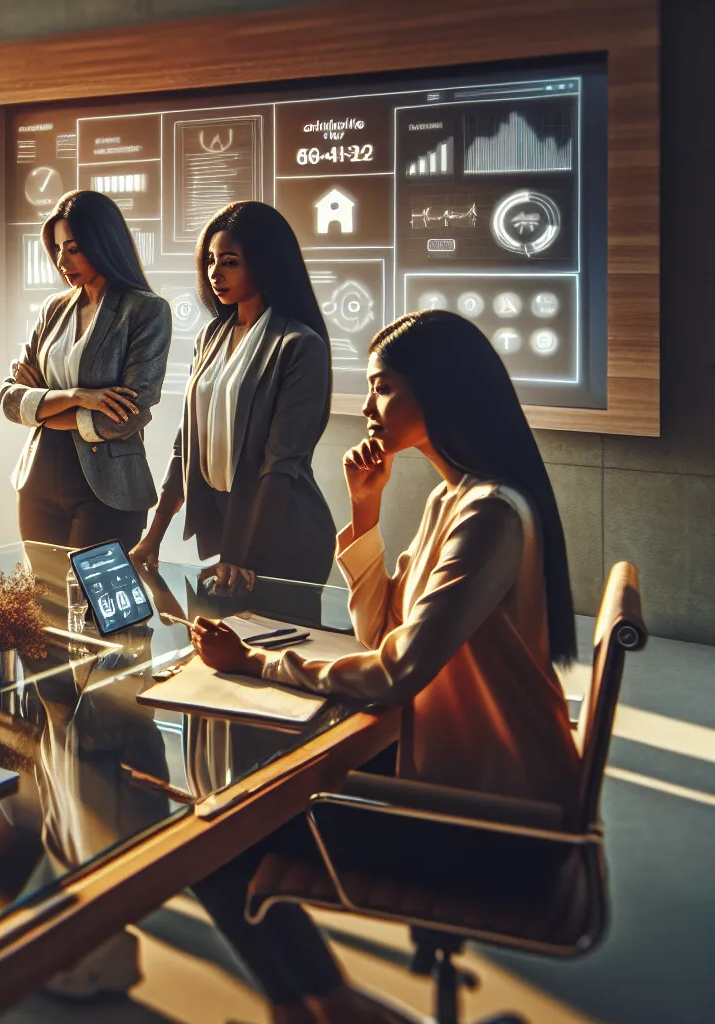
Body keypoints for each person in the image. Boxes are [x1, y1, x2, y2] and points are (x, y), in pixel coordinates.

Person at [184, 309, 582, 1024]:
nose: (367, 406)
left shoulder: (489, 514)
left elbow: (396, 673)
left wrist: (256, 662)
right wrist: (365, 515)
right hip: (461, 782)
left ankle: (326, 1008)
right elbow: (384, 633)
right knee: (240, 805)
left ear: (440, 391)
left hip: (496, 826)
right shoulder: (450, 498)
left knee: (213, 842)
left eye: (384, 387)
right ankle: (319, 1007)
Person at [131, 200, 336, 593]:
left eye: (229, 262)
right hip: (228, 531)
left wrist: (242, 559)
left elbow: (280, 466)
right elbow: (184, 448)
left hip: (288, 536)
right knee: (214, 631)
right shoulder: (210, 337)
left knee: (260, 634)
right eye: (210, 261)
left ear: (264, 263)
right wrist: (153, 537)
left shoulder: (299, 345)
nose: (215, 273)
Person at [0, 190, 170, 551]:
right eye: (57, 249)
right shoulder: (53, 308)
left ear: (103, 243)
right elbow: (10, 399)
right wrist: (78, 397)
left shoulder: (146, 310)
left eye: (73, 248)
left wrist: (43, 409)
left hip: (109, 490)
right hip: (38, 481)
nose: (62, 261)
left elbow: (124, 418)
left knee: (90, 590)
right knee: (41, 589)